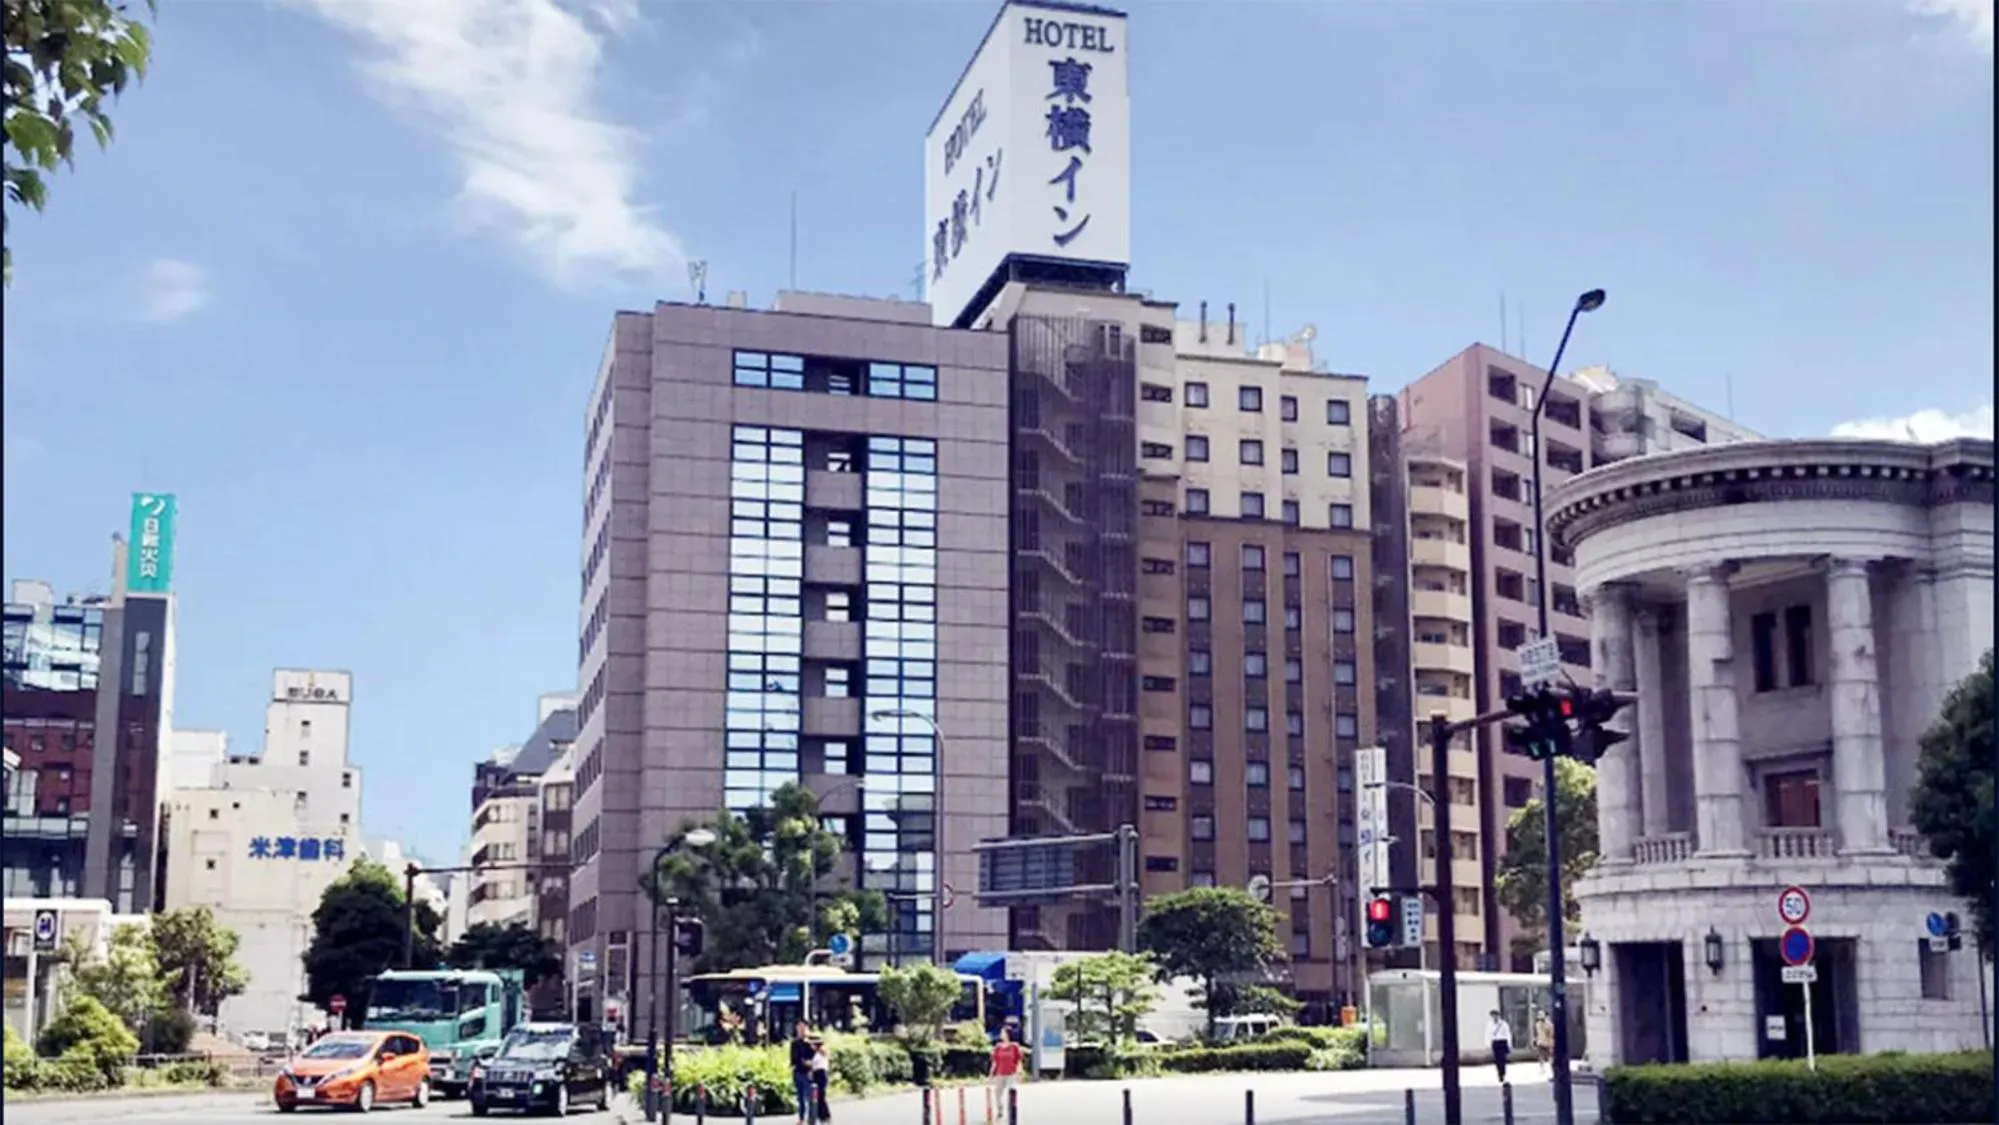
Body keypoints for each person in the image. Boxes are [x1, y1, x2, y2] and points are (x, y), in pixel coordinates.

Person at [988, 1026, 1024, 1115]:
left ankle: (1012, 1110)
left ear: (1008, 1034)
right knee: (997, 1093)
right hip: (1000, 1073)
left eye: (1003, 1032)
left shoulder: (1014, 1046)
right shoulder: (998, 1047)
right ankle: (1000, 1109)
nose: (1001, 1034)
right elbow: (995, 1062)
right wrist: (991, 1074)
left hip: (1011, 1073)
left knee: (1012, 1090)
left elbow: (1018, 1061)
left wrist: (1019, 1072)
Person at [790, 1022, 818, 1125]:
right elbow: (793, 1059)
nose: (801, 1030)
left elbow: (818, 1056)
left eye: (803, 1028)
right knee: (801, 1097)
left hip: (809, 1072)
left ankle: (812, 1119)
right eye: (799, 1028)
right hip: (798, 1072)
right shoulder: (795, 1043)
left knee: (811, 1097)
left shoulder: (813, 1041)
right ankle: (802, 1119)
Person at [810, 1035, 833, 1123]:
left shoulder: (821, 1053)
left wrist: (808, 1063)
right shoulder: (817, 1053)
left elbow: (814, 1064)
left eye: (812, 1044)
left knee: (821, 1096)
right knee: (818, 1097)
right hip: (817, 1074)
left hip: (821, 1074)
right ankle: (822, 1116)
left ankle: (826, 1116)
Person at [1487, 1009, 1514, 1084]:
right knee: (1497, 1059)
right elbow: (1488, 1034)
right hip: (1495, 1042)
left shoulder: (1503, 1024)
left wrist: (1509, 1044)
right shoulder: (1490, 1024)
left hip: (1502, 1041)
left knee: (1503, 1059)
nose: (1494, 1017)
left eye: (1495, 1015)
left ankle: (1503, 1073)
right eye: (1492, 1015)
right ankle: (1499, 1073)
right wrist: (1488, 1044)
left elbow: (1508, 1034)